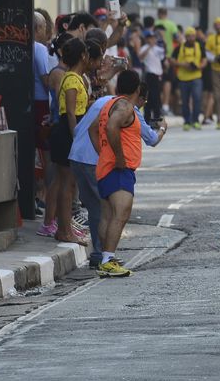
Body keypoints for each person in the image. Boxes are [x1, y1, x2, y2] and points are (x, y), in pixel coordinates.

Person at [70, 73, 166, 269]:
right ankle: (107, 259)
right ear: (138, 90)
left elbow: (92, 129)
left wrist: (104, 153)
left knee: (107, 215)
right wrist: (119, 157)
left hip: (106, 167)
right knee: (121, 213)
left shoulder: (109, 104)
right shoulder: (125, 107)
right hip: (119, 169)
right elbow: (112, 127)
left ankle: (105, 258)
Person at [46, 37, 97, 245]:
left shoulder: (77, 77)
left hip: (71, 133)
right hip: (68, 134)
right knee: (67, 185)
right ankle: (65, 231)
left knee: (66, 183)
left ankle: (63, 228)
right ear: (83, 56)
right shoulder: (72, 79)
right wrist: (77, 139)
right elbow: (70, 113)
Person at [173, 27, 206, 129]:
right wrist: (182, 64)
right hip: (183, 78)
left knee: (197, 98)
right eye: (189, 36)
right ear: (186, 37)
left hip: (196, 76)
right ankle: (187, 121)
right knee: (185, 100)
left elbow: (204, 59)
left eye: (193, 36)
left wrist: (200, 66)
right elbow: (171, 59)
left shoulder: (199, 46)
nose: (191, 38)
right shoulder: (179, 47)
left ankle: (195, 120)